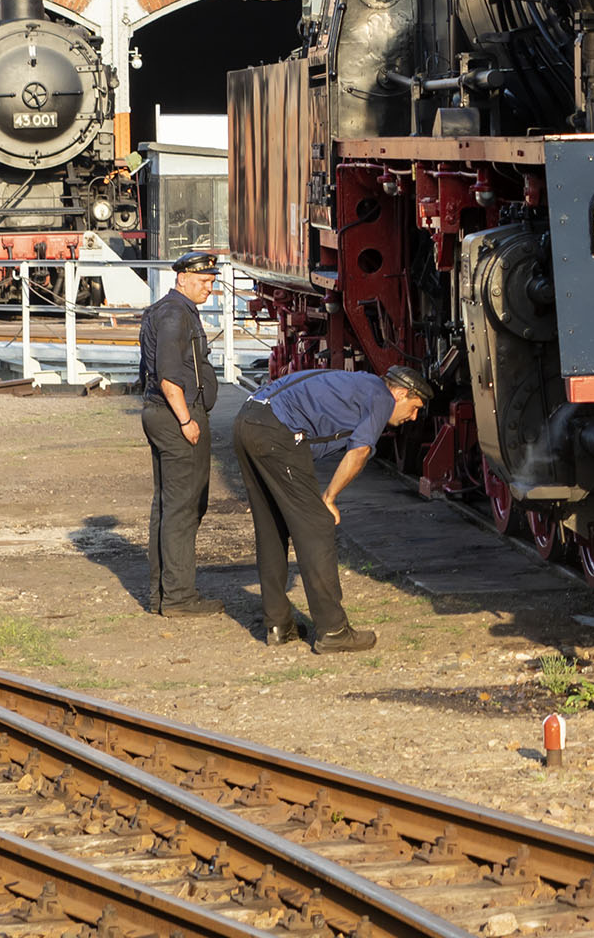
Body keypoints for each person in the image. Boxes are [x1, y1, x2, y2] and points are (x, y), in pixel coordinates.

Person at [230, 361, 430, 651]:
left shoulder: (359, 383)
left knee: (272, 526)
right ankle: (333, 630)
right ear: (400, 393)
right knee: (318, 526)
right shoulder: (382, 399)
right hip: (278, 431)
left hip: (248, 420)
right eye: (415, 407)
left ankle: (278, 625)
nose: (413, 417)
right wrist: (330, 498)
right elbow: (359, 451)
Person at [137, 250, 224, 617]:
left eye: (212, 282)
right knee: (184, 509)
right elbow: (169, 374)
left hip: (162, 415)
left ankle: (163, 595)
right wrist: (187, 420)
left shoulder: (168, 309)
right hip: (176, 418)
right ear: (183, 278)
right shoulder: (175, 314)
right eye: (204, 282)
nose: (209, 288)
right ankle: (178, 598)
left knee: (168, 506)